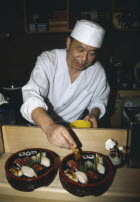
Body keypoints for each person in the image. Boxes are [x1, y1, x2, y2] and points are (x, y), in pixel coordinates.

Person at [20, 20, 110, 149]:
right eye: (80, 49)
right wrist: (50, 126)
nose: (84, 58)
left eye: (91, 53)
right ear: (68, 43)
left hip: (73, 131)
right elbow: (31, 95)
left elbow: (99, 100)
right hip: (40, 126)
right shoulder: (49, 60)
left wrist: (94, 114)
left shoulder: (97, 71)